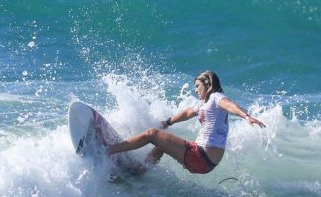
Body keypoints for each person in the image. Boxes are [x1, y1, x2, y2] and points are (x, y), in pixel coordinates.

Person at [108, 71, 266, 174]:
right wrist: (167, 122)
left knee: (152, 134)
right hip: (206, 163)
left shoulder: (216, 97)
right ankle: (138, 172)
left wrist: (246, 116)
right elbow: (188, 112)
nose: (196, 90)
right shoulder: (205, 104)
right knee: (161, 144)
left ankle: (108, 150)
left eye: (198, 86)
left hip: (200, 156)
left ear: (208, 84)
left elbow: (229, 104)